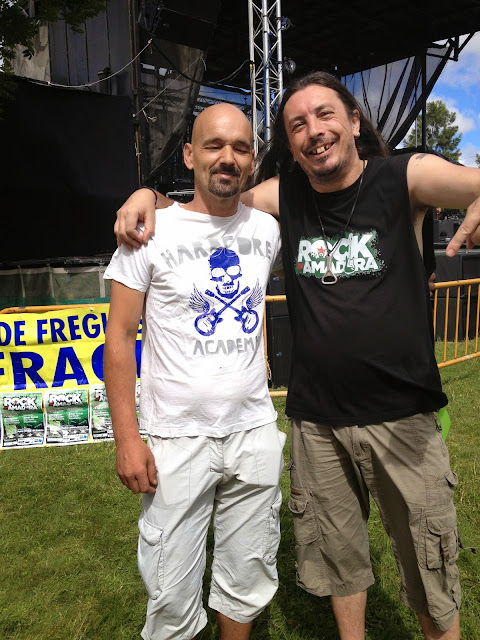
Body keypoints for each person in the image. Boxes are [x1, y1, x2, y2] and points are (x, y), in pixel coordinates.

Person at [114, 72, 480, 640]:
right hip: (317, 423)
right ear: (289, 143)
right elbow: (210, 200)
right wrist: (149, 196)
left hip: (402, 417)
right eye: (298, 124)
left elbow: (470, 182)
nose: (314, 131)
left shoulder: (404, 175)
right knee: (338, 562)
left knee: (430, 569)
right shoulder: (284, 197)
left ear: (354, 121)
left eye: (325, 114)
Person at [104, 103, 286, 640]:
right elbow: (119, 338)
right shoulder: (149, 231)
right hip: (175, 439)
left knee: (247, 576)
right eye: (213, 145)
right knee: (170, 590)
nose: (227, 158)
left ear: (252, 160)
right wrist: (126, 439)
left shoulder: (268, 229)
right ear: (188, 154)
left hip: (253, 431)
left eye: (241, 148)